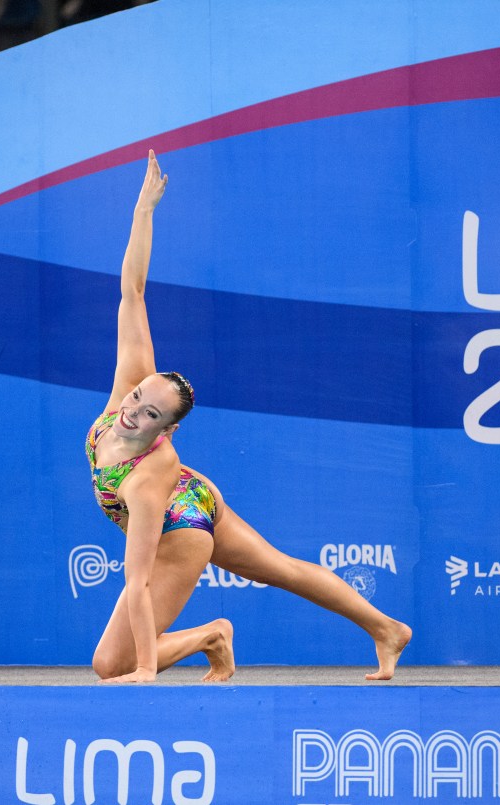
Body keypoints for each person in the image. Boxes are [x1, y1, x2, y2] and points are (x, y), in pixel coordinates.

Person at [88, 152, 412, 683]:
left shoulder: (147, 476)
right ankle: (386, 628)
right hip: (195, 491)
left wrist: (146, 669)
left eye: (148, 414)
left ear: (166, 430)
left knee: (111, 664)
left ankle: (212, 635)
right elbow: (133, 291)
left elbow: (138, 581)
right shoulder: (127, 390)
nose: (131, 413)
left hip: (180, 524)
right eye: (135, 399)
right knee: (282, 569)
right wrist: (144, 210)